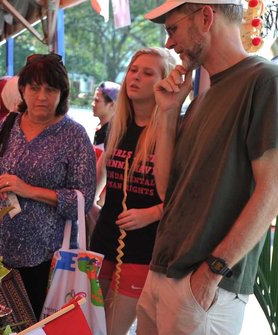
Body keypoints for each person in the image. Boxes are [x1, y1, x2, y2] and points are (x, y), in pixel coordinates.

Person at [134, 1, 278, 334]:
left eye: (172, 29)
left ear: (206, 16)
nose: (169, 43)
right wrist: (169, 113)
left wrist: (213, 271)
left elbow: (271, 191)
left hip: (206, 286)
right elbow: (166, 190)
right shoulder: (203, 96)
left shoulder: (264, 81)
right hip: (166, 273)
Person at [0, 53, 96, 316]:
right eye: (34, 87)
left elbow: (82, 200)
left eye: (51, 89)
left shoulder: (74, 136)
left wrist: (28, 190)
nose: (42, 96)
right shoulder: (8, 124)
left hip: (49, 260)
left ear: (62, 93)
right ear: (23, 90)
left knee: (40, 328)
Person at [88, 48, 175, 335]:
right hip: (103, 242)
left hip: (142, 249)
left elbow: (186, 195)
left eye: (147, 73)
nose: (135, 77)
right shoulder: (118, 126)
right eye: (133, 70)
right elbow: (97, 180)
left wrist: (152, 213)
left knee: (113, 329)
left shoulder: (172, 130)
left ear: (164, 82)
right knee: (92, 325)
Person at [91, 81, 121, 149]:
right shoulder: (101, 129)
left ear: (111, 105)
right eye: (93, 100)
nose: (92, 104)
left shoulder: (113, 134)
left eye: (97, 101)